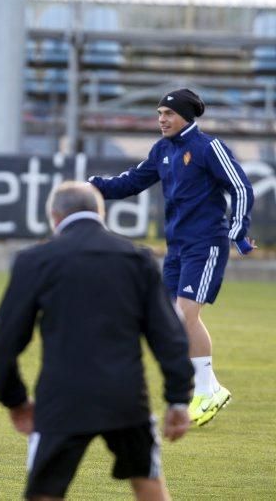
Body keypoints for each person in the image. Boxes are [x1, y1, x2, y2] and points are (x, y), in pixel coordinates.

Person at [0, 181, 194, 501]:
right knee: (148, 484)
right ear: (102, 212)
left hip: (62, 397)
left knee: (44, 493)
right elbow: (170, 336)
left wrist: (14, 399)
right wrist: (178, 399)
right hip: (126, 397)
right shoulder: (137, 259)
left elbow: (4, 337)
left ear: (54, 217)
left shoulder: (36, 260)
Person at [89, 88, 255, 427]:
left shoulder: (208, 148)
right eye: (159, 114)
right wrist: (94, 186)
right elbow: (133, 182)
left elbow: (240, 186)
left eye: (168, 113)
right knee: (175, 318)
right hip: (177, 248)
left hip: (206, 244)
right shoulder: (162, 149)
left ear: (185, 116)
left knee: (182, 318)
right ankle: (209, 388)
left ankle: (202, 390)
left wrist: (237, 230)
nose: (161, 120)